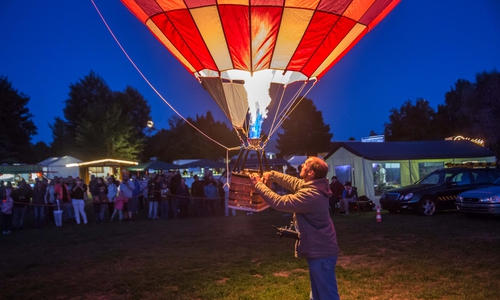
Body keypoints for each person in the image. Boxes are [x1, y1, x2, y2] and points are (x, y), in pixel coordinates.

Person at [249, 157, 340, 300]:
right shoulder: (313, 186)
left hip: (322, 252)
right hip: (320, 250)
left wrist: (259, 185)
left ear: (311, 173)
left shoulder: (311, 195)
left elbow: (279, 202)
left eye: (306, 164)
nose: (302, 165)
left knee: (327, 295)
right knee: (318, 295)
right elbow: (292, 182)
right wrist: (271, 174)